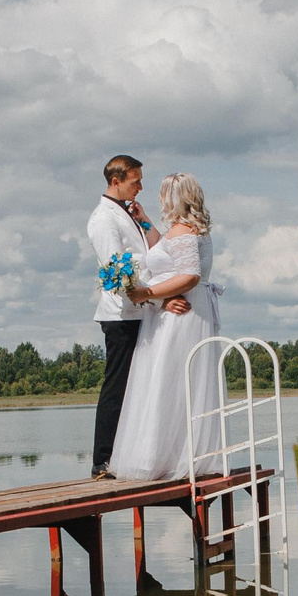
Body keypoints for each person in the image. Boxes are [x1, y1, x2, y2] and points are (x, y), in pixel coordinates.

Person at [104, 173, 223, 483]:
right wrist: (144, 223)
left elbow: (190, 275)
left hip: (179, 319)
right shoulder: (184, 231)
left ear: (174, 199)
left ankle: (160, 459)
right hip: (181, 313)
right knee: (170, 382)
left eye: (162, 196)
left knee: (166, 380)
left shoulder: (184, 233)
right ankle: (168, 456)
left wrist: (149, 294)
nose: (158, 201)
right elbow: (165, 253)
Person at [86, 155, 187, 479]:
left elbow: (144, 259)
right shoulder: (104, 219)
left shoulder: (125, 214)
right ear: (116, 181)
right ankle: (102, 461)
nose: (141, 187)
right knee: (118, 387)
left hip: (137, 312)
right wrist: (159, 302)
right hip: (120, 315)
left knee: (138, 387)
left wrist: (144, 221)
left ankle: (128, 456)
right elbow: (117, 273)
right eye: (135, 181)